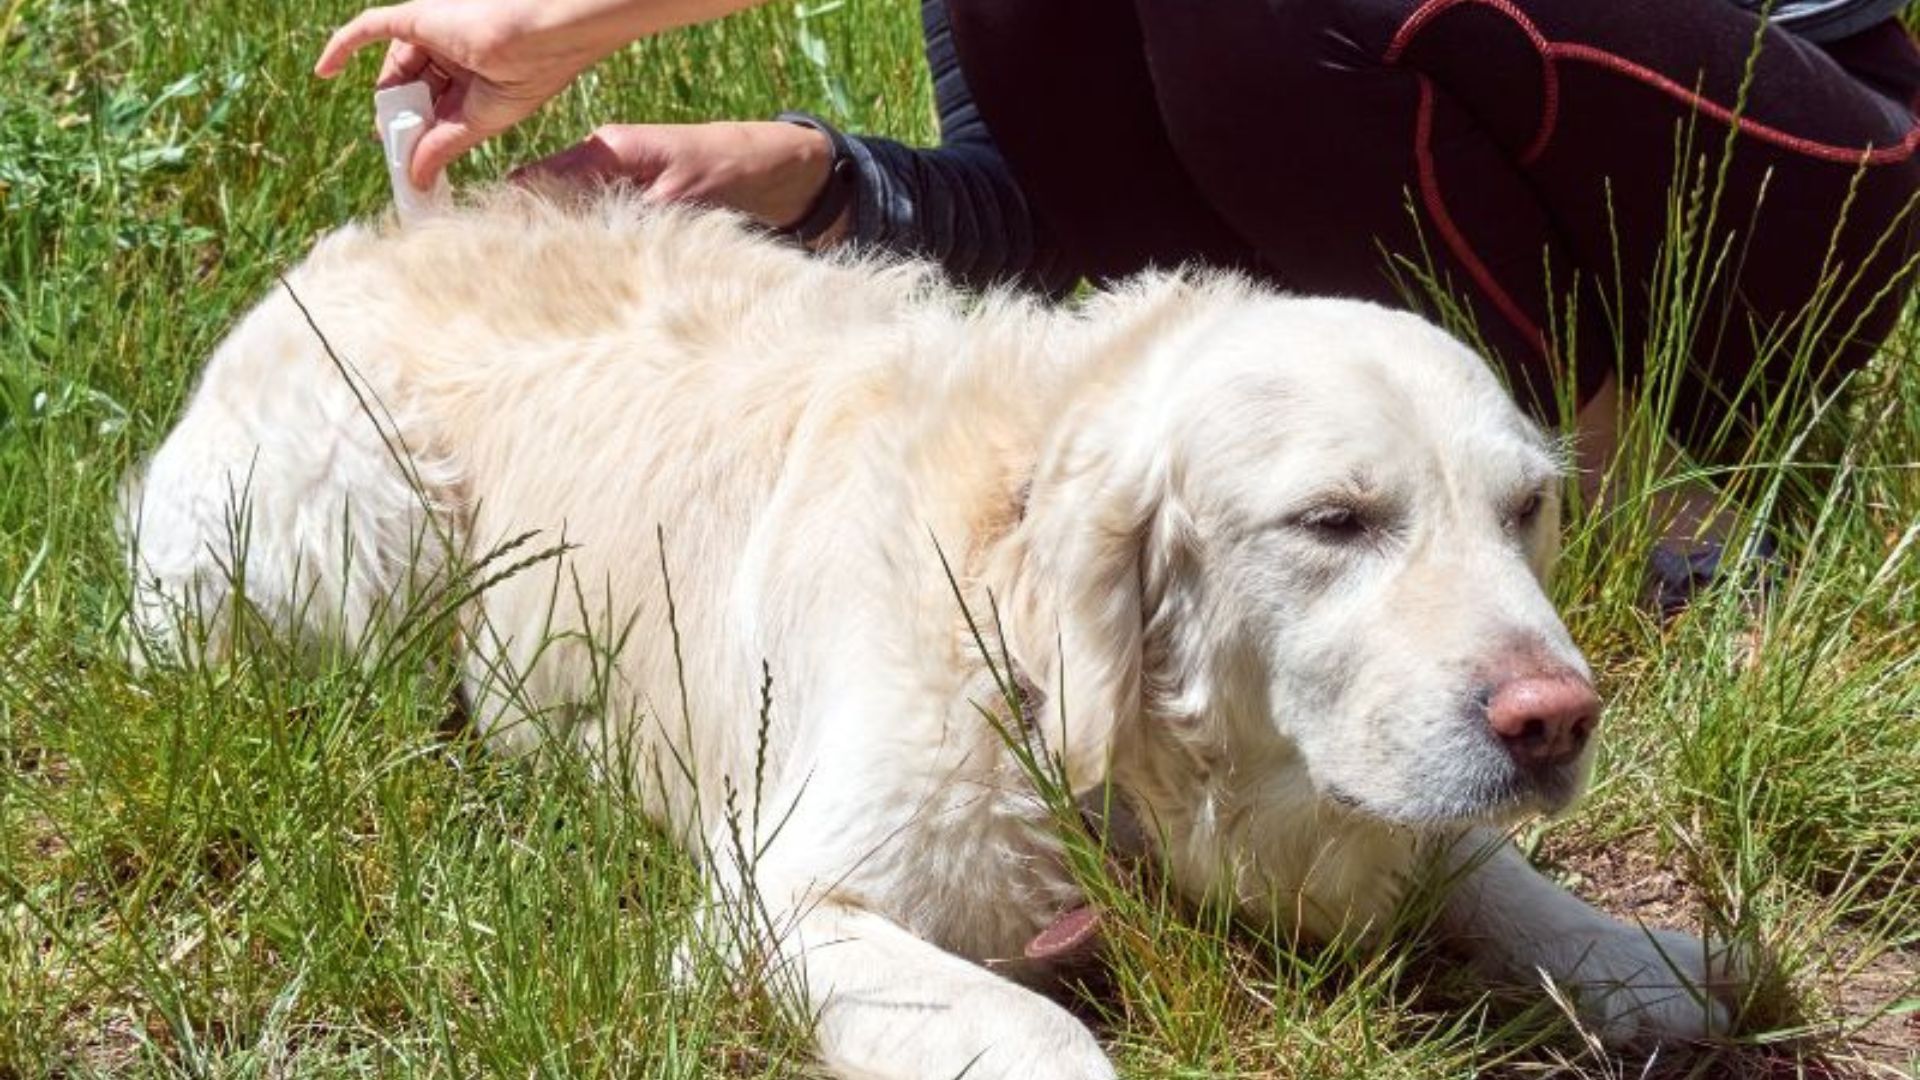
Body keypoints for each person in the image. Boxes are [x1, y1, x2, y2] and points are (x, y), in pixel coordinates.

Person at [317, 0, 1920, 614]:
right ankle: (1479, 509)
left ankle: (1660, 512)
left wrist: (580, 15)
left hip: (1811, 181)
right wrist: (799, 176)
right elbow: (1065, 207)